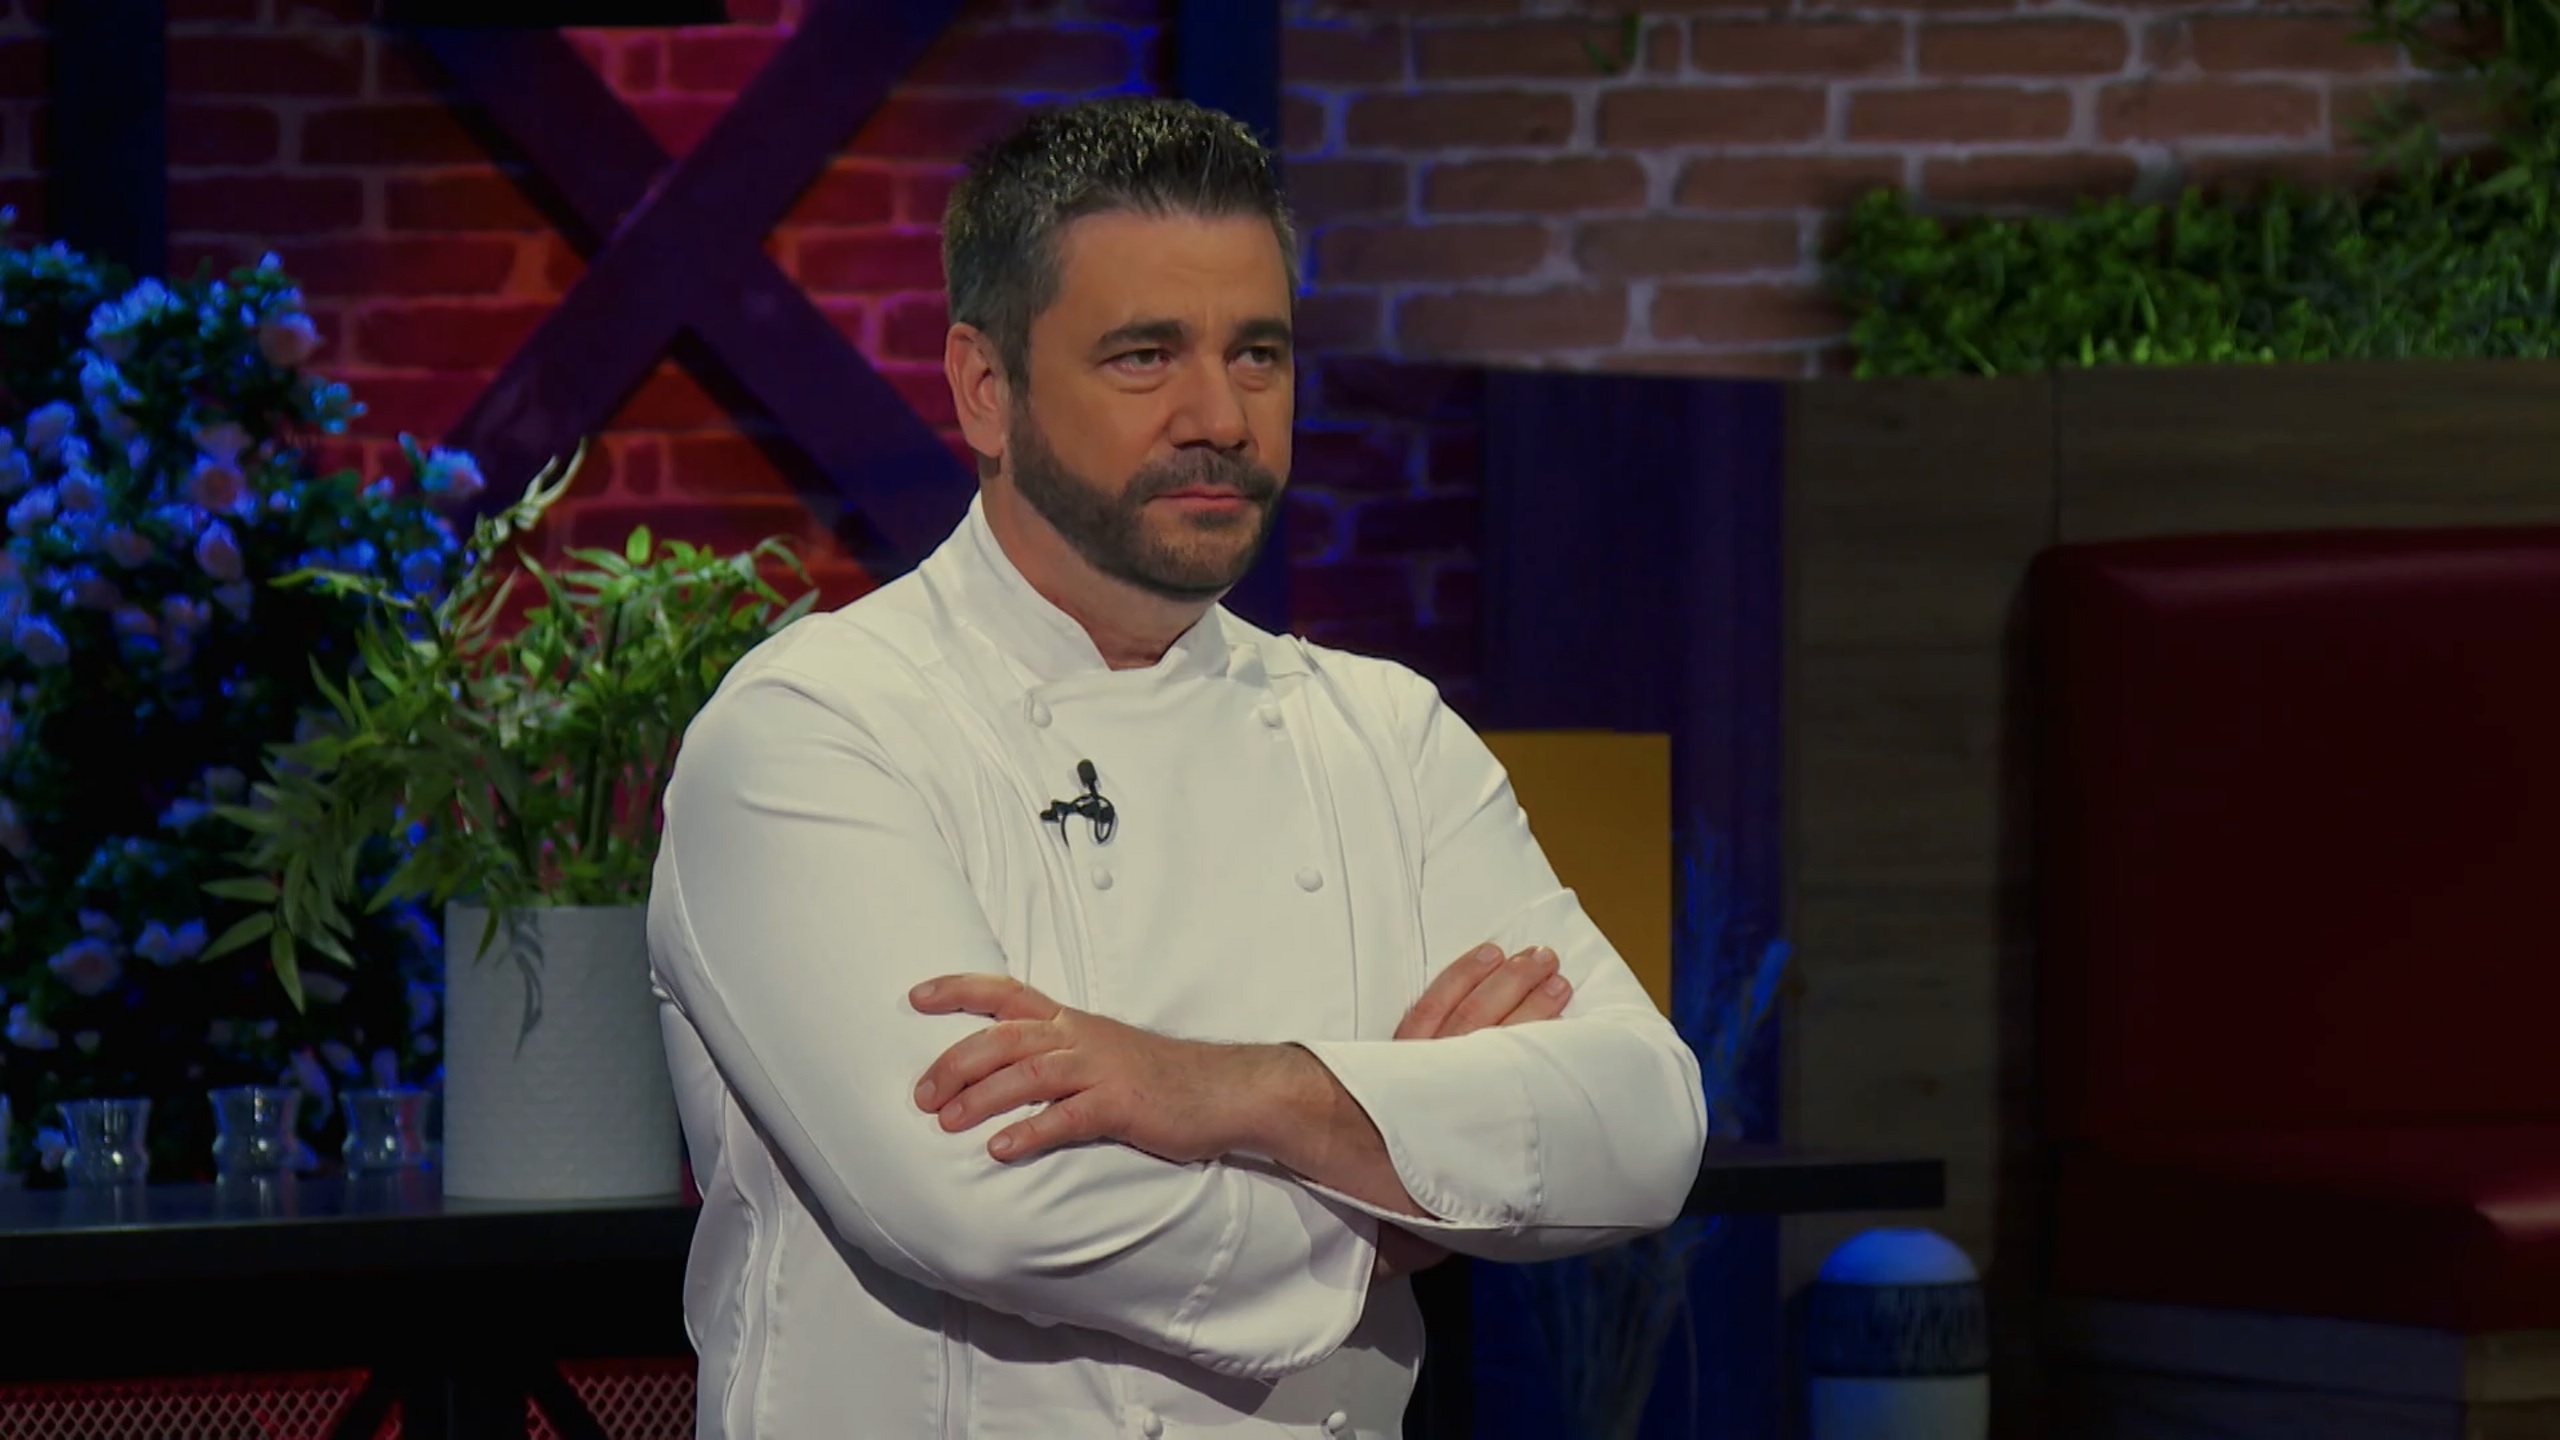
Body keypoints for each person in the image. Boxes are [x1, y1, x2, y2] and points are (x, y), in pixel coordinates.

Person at [648, 95, 1707, 1439]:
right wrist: (1405, 1196)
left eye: (1257, 353)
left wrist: (1230, 1089)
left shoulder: (1384, 733)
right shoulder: (815, 729)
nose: (1221, 415)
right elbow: (987, 1207)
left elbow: (1644, 1123)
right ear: (985, 388)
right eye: (1145, 355)